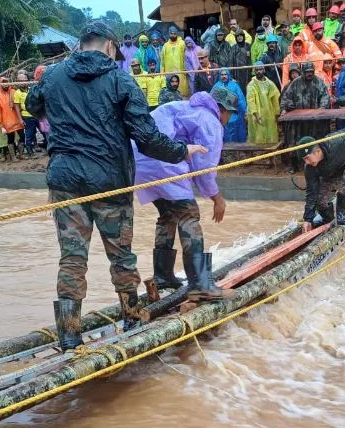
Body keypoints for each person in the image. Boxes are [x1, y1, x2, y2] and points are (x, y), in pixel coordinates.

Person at [25, 21, 207, 349]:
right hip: (109, 181)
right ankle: (131, 320)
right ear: (110, 46)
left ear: (80, 44)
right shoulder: (120, 79)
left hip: (65, 180)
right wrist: (182, 151)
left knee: (72, 258)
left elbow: (32, 106)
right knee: (121, 256)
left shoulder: (52, 75)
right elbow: (148, 138)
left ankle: (69, 336)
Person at [135, 87, 237, 301]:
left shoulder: (185, 108)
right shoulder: (210, 121)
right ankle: (199, 284)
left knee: (168, 214)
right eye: (229, 113)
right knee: (188, 215)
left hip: (140, 161)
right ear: (222, 110)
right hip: (163, 161)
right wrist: (217, 198)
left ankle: (163, 276)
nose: (228, 119)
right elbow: (204, 168)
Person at [298, 125, 345, 230]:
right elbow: (312, 192)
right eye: (304, 159)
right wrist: (308, 219)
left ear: (317, 151)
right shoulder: (309, 167)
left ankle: (341, 213)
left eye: (307, 158)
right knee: (319, 198)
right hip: (334, 171)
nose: (306, 162)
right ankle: (327, 218)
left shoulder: (334, 142)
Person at [280, 61, 330, 165]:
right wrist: (286, 108)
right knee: (295, 141)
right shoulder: (295, 83)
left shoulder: (319, 82)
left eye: (311, 71)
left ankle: (315, 161)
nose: (309, 74)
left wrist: (322, 107)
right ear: (303, 72)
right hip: (298, 120)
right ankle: (294, 164)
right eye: (307, 72)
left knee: (314, 141)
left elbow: (325, 96)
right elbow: (286, 97)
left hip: (314, 120)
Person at [246, 62, 280, 144]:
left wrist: (277, 114)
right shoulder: (251, 85)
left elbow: (276, 99)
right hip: (257, 115)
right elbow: (250, 101)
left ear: (264, 70)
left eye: (260, 69)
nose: (259, 71)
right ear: (254, 71)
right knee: (258, 138)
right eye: (257, 70)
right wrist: (256, 115)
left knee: (270, 136)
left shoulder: (270, 84)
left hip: (269, 114)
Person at [212, 69, 247, 142]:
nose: (224, 76)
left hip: (233, 114)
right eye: (222, 75)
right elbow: (211, 100)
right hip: (221, 115)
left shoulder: (234, 86)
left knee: (234, 133)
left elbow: (241, 99)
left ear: (228, 75)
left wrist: (244, 111)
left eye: (225, 74)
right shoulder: (216, 86)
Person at [0, 77, 25, 161]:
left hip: (17, 119)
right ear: (0, 84)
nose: (5, 84)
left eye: (6, 82)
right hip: (7, 121)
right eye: (3, 82)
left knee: (22, 136)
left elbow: (19, 103)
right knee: (10, 139)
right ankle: (13, 156)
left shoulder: (14, 92)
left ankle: (21, 154)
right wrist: (1, 124)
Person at [14, 74, 40, 157]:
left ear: (27, 80)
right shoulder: (17, 93)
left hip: (37, 114)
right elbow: (17, 107)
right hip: (27, 116)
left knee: (44, 130)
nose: (23, 82)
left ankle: (48, 147)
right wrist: (20, 119)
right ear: (17, 82)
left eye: (24, 80)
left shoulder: (31, 89)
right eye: (20, 81)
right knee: (29, 133)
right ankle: (30, 151)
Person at [162, 27, 189, 97]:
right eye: (171, 33)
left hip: (180, 71)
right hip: (169, 72)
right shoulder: (165, 45)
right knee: (170, 91)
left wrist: (186, 68)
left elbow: (187, 57)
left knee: (181, 91)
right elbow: (162, 60)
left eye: (174, 34)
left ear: (177, 34)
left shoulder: (182, 43)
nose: (173, 35)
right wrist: (162, 72)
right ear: (169, 34)